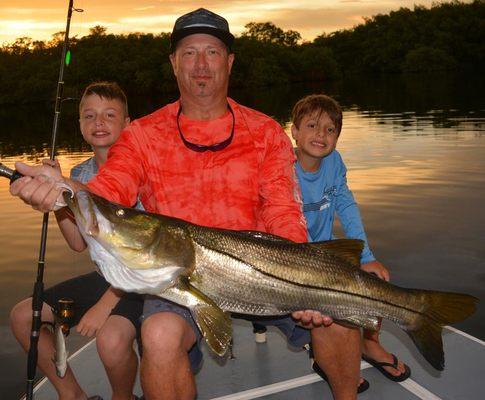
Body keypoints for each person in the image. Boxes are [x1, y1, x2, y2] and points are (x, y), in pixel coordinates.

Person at [10, 9, 362, 400]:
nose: (200, 65)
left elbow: (283, 211)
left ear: (229, 63)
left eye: (212, 53)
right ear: (174, 63)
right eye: (189, 53)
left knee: (340, 315)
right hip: (178, 278)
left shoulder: (265, 131)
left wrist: (304, 284)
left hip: (263, 271)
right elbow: (111, 190)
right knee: (158, 334)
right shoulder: (142, 134)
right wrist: (65, 191)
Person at [9, 82, 144, 400]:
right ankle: (74, 396)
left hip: (142, 283)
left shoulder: (143, 171)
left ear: (128, 124)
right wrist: (57, 199)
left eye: (110, 115)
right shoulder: (81, 173)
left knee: (110, 340)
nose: (99, 123)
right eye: (90, 115)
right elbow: (78, 244)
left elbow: (139, 258)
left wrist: (103, 306)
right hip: (106, 277)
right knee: (21, 316)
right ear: (80, 124)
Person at [291, 94, 411, 384]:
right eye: (311, 126)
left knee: (375, 280)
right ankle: (325, 356)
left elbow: (345, 204)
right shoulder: (282, 168)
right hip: (295, 255)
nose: (320, 135)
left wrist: (366, 256)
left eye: (330, 130)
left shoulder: (334, 162)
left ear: (337, 137)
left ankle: (370, 342)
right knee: (331, 302)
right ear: (294, 132)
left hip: (328, 246)